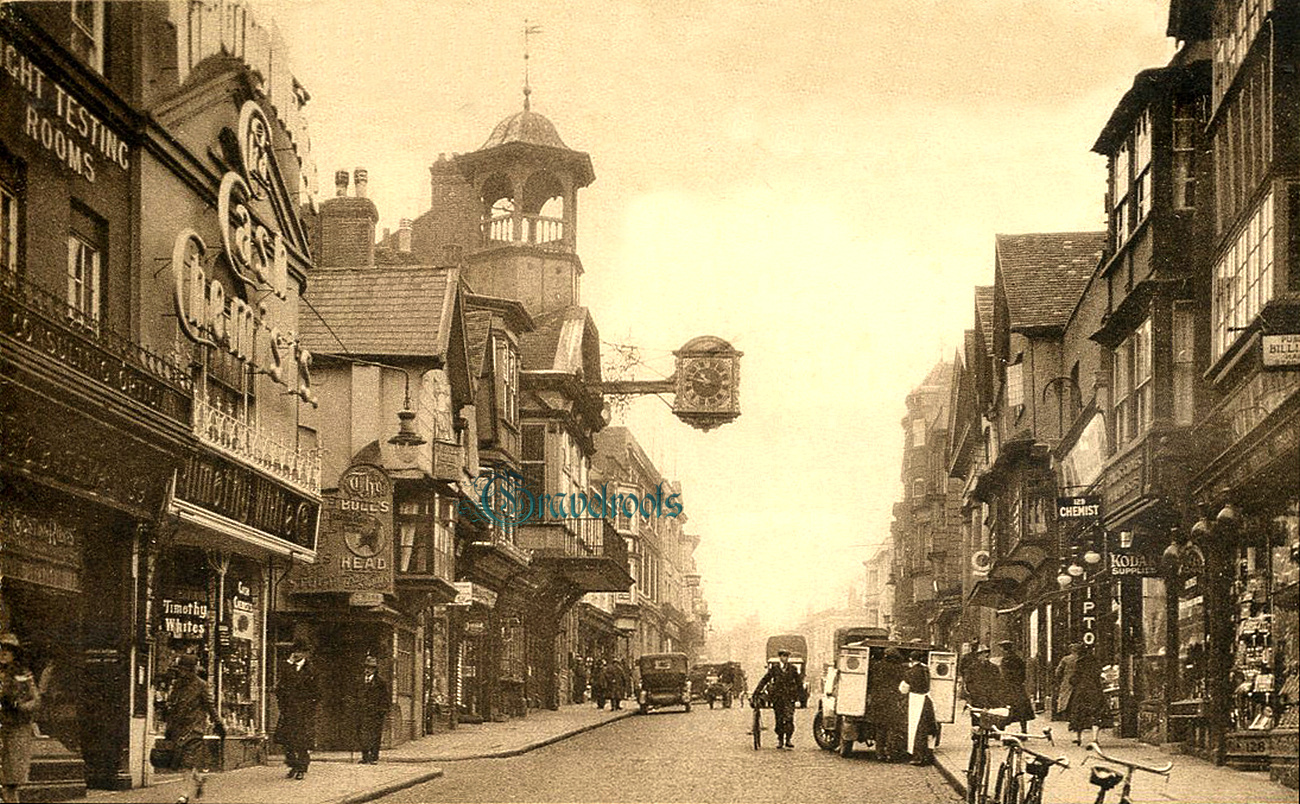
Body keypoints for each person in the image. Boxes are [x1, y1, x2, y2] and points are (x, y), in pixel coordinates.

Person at [164, 652, 224, 804]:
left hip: (195, 728)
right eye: (180, 670)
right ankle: (199, 780)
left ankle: (184, 795)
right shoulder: (177, 684)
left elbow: (210, 706)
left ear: (190, 670)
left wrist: (218, 723)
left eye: (183, 670)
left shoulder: (201, 685)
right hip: (179, 727)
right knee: (181, 761)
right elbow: (171, 703)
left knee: (187, 761)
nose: (181, 672)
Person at [0, 634, 40, 804]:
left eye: (7, 650)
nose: (3, 653)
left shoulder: (23, 675)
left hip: (16, 728)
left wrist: (18, 705)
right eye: (1, 649)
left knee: (11, 780)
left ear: (14, 653)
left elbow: (35, 700)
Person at [276, 640, 320, 779]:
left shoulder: (311, 670)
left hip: (304, 711)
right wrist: (282, 706)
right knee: (287, 741)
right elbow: (280, 687)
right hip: (288, 710)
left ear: (306, 654)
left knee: (302, 741)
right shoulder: (288, 667)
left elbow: (317, 693)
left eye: (300, 651)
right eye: (295, 651)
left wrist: (309, 708)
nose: (297, 654)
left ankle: (302, 767)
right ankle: (293, 764)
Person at [753, 649, 802, 749]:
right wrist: (756, 692)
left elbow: (799, 683)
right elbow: (765, 680)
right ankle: (780, 739)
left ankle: (788, 739)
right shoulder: (774, 669)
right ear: (780, 657)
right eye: (783, 656)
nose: (785, 658)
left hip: (789, 698)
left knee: (789, 718)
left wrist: (801, 698)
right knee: (779, 719)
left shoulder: (793, 669)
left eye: (787, 656)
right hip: (777, 698)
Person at [901, 649, 938, 766]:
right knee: (929, 727)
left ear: (911, 660)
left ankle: (918, 756)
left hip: (916, 701)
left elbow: (903, 689)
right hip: (927, 700)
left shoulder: (910, 672)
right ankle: (928, 754)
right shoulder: (927, 670)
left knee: (916, 729)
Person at [1067, 645, 1107, 746]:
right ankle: (1094, 738)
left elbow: (1074, 678)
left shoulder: (1079, 662)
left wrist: (1073, 682)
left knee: (1079, 713)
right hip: (1095, 690)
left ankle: (1078, 737)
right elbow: (1099, 675)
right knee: (1096, 713)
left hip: (1081, 691)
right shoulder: (1095, 661)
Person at [357, 655, 389, 764]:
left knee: (375, 735)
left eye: (371, 668)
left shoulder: (380, 682)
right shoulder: (359, 681)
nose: (368, 670)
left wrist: (382, 711)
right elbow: (355, 695)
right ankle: (365, 756)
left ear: (375, 669)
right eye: (366, 667)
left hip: (375, 713)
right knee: (362, 734)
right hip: (362, 712)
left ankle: (374, 756)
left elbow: (385, 698)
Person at [997, 639, 1034, 732]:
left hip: (1008, 687)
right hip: (1018, 687)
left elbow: (1004, 674)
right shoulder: (1018, 658)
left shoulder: (1006, 659)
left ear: (1003, 649)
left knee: (1004, 709)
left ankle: (1001, 730)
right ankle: (1024, 730)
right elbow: (1023, 673)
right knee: (1022, 709)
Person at [1054, 642, 1081, 722]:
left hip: (1067, 680)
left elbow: (1058, 671)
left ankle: (1064, 714)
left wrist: (1059, 679)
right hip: (1079, 681)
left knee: (1065, 696)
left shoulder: (1066, 659)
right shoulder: (1081, 658)